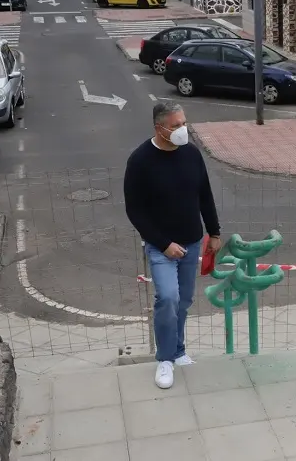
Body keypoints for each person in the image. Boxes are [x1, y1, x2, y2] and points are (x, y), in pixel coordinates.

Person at [124, 101, 222, 389]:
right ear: (160, 128)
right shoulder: (140, 161)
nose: (183, 129)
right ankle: (165, 359)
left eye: (184, 123)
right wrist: (164, 244)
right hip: (161, 247)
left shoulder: (191, 154)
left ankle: (178, 350)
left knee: (184, 301)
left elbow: (204, 194)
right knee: (167, 298)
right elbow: (135, 210)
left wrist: (214, 233)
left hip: (192, 242)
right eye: (176, 125)